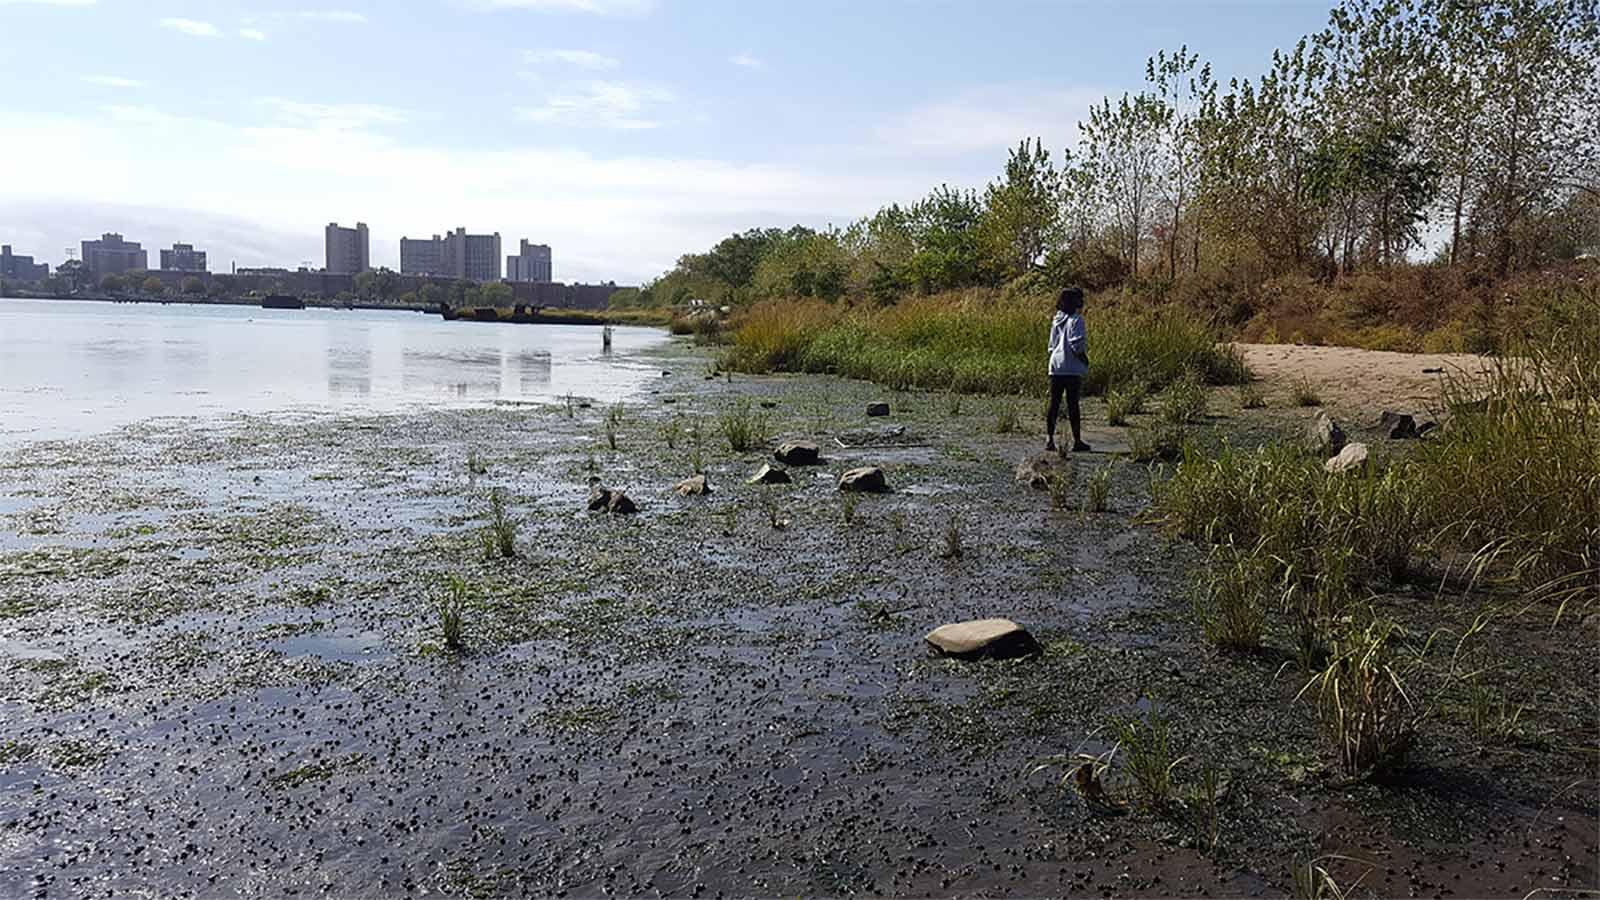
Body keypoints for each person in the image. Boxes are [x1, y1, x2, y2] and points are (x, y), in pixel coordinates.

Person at [1046, 287, 1090, 453]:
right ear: (1075, 302)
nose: (1083, 302)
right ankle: (1077, 441)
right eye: (1080, 299)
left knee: (1054, 404)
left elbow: (1051, 346)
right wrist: (1084, 360)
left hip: (1055, 366)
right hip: (1071, 368)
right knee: (1073, 404)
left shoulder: (1057, 320)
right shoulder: (1077, 320)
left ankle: (1049, 440)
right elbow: (1076, 344)